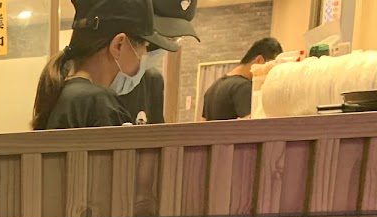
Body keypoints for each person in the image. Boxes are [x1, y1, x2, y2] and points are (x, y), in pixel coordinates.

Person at [31, 0, 177, 130]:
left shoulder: (62, 92)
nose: (144, 56)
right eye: (144, 45)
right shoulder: (98, 102)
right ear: (118, 45)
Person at [118, 0, 200, 124]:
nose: (161, 47)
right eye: (164, 36)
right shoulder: (105, 74)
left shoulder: (152, 80)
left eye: (174, 38)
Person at [202, 37, 283, 120]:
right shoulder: (244, 87)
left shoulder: (212, 87)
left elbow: (202, 123)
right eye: (271, 67)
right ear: (259, 60)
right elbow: (253, 125)